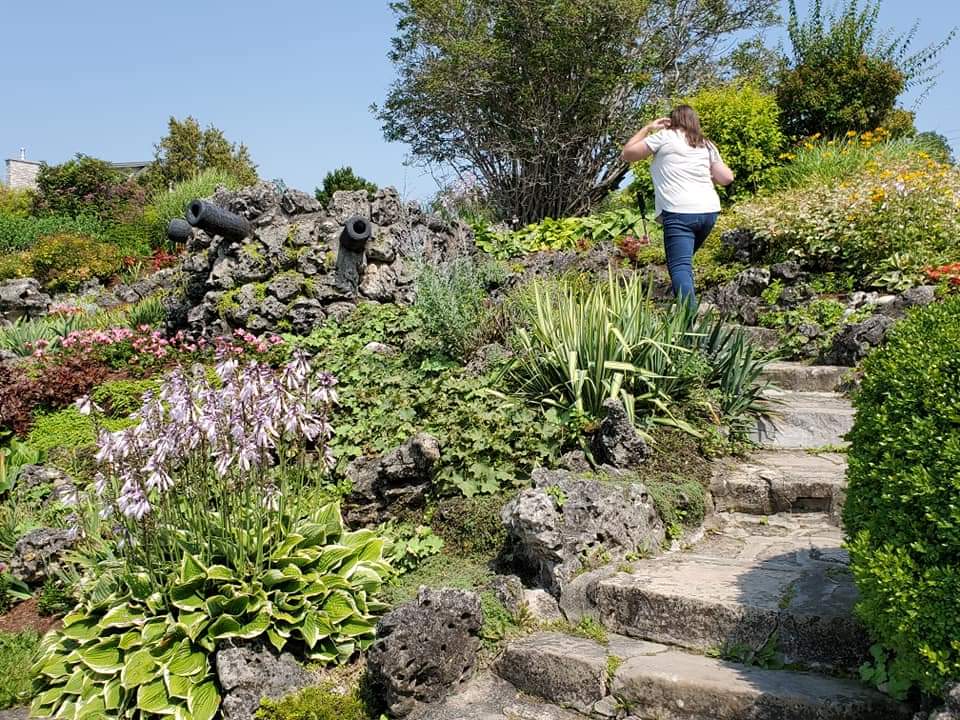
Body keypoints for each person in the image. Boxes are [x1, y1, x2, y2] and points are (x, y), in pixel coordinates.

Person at [621, 105, 734, 306]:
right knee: (683, 265)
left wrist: (648, 127)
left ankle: (688, 327)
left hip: (679, 212)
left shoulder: (664, 136)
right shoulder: (706, 144)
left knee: (680, 267)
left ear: (672, 121)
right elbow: (726, 178)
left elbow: (628, 154)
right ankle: (680, 306)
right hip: (709, 212)